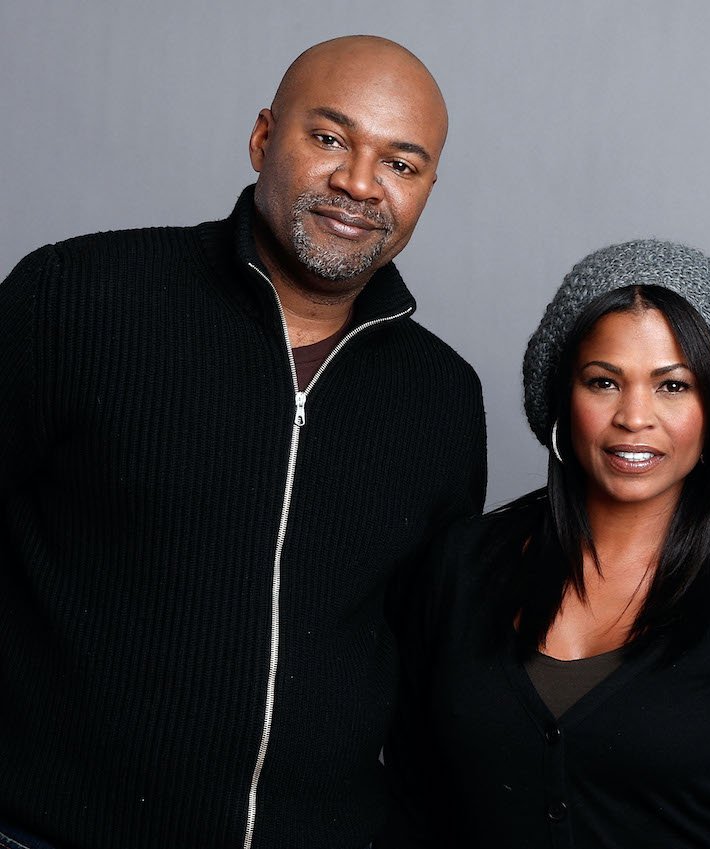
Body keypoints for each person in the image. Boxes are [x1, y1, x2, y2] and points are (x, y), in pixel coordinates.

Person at [0, 36, 485, 849]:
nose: (359, 183)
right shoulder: (78, 297)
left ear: (428, 186)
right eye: (329, 138)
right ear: (265, 137)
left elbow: (419, 656)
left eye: (401, 163)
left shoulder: (441, 396)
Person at [386, 239, 710, 849]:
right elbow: (410, 799)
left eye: (674, 386)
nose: (635, 416)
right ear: (562, 399)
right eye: (604, 382)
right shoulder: (462, 566)